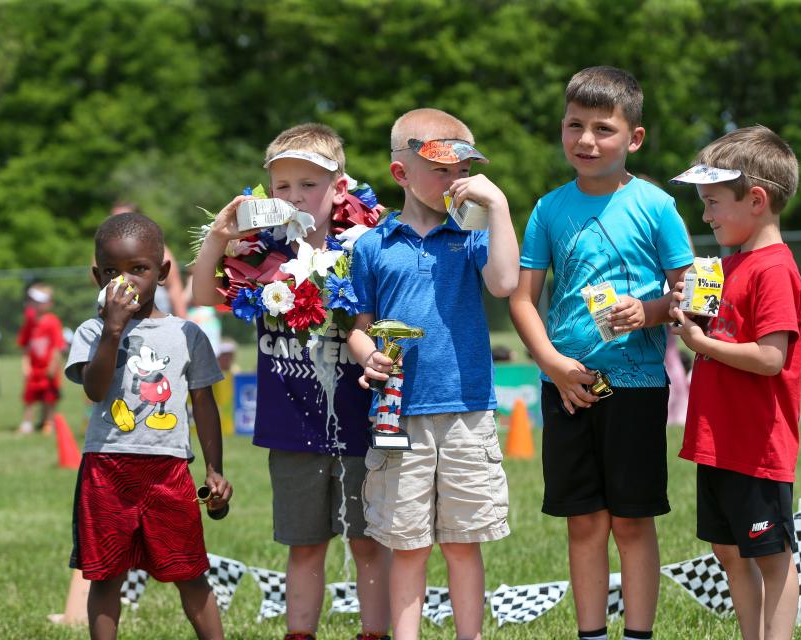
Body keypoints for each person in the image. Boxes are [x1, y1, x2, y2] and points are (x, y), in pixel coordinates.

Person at [508, 66, 693, 640]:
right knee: (584, 523)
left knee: (633, 523)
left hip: (638, 387)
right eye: (574, 126)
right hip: (568, 387)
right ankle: (590, 635)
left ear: (633, 138)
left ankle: (637, 634)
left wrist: (653, 311)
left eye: (603, 129)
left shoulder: (658, 206)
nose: (586, 141)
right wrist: (553, 365)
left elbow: (691, 294)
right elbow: (522, 300)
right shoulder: (546, 209)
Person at [190, 123, 391, 640]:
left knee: (368, 542)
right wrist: (221, 234)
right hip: (292, 426)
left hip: (360, 422)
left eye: (310, 184)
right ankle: (299, 633)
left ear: (339, 189)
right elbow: (201, 293)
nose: (295, 196)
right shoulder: (259, 252)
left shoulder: (366, 248)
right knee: (304, 546)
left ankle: (375, 632)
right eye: (283, 186)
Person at [348, 108, 519, 640]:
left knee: (463, 544)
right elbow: (359, 327)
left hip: (467, 412)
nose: (456, 181)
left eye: (464, 170)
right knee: (408, 545)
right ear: (401, 174)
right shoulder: (373, 245)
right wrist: (366, 356)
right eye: (442, 170)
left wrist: (498, 205)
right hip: (399, 415)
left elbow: (506, 282)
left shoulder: (470, 236)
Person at [65, 212, 230, 640]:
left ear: (162, 271)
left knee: (189, 571)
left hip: (168, 469)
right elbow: (96, 390)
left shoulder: (187, 334)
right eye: (112, 272)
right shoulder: (91, 331)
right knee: (106, 575)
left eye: (138, 269)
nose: (126, 282)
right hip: (106, 469)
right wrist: (113, 331)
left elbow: (204, 403)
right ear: (96, 276)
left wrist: (214, 468)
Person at [668, 125, 801, 640]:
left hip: (756, 444)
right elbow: (719, 326)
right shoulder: (729, 265)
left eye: (711, 202)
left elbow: (771, 358)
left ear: (755, 199)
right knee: (728, 550)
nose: (704, 215)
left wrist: (702, 346)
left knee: (770, 556)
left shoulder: (773, 268)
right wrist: (691, 312)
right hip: (718, 441)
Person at [17, 284, 65, 434]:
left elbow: (57, 346)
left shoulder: (53, 321)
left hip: (48, 368)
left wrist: (53, 366)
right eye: (33, 301)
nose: (36, 304)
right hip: (34, 368)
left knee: (49, 397)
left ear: (49, 303)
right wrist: (25, 365)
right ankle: (27, 423)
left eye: (40, 301)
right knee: (29, 397)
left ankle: (48, 422)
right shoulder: (29, 321)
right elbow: (25, 345)